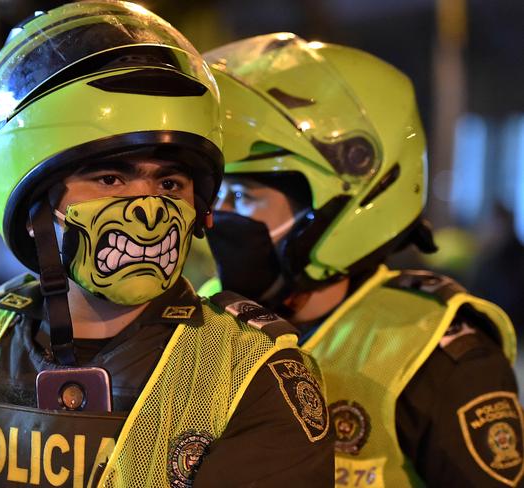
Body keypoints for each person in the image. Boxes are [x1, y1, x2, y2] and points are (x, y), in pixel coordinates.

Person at [0, 9, 333, 488]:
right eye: (110, 178)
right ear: (31, 202)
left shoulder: (251, 379)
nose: (149, 209)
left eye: (170, 182)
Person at [201, 33, 523, 487]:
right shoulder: (199, 319)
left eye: (244, 195)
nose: (219, 217)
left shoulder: (432, 356)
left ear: (340, 205)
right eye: (218, 194)